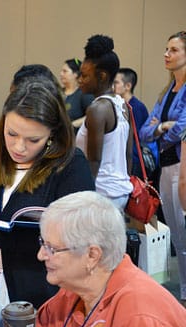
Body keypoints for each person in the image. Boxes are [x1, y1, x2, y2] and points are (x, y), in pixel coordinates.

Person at [0, 191, 186, 327]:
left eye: (51, 248)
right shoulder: (70, 294)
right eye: (43, 243)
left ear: (92, 255)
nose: (41, 255)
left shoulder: (140, 312)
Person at [0, 77, 94, 327]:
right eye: (11, 134)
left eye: (33, 139)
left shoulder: (70, 166)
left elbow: (78, 242)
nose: (19, 147)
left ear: (52, 133)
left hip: (42, 295)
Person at [141, 31, 186, 307]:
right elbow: (146, 131)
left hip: (183, 166)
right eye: (166, 49)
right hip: (166, 167)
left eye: (174, 50)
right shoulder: (166, 91)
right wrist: (161, 127)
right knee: (176, 233)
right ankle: (183, 290)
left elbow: (180, 130)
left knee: (184, 227)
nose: (166, 54)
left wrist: (165, 129)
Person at [76, 34, 132, 209]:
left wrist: (86, 198)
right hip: (121, 191)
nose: (80, 80)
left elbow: (93, 161)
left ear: (102, 76)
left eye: (84, 76)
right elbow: (128, 155)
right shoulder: (121, 104)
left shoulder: (97, 109)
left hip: (102, 194)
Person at [113, 67, 155, 180]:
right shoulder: (119, 105)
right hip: (123, 157)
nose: (113, 86)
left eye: (116, 82)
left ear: (128, 86)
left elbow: (134, 135)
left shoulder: (136, 107)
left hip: (134, 159)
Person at [60, 58, 94, 131]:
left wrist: (72, 125)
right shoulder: (58, 92)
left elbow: (92, 116)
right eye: (61, 71)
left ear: (75, 74)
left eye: (65, 71)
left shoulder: (84, 94)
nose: (61, 74)